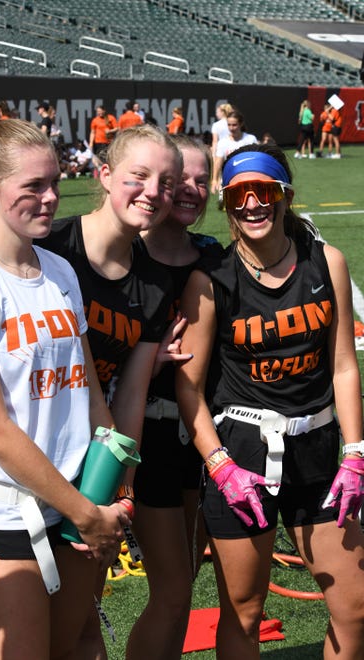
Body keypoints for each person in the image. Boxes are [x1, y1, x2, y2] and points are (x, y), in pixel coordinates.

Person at [0, 117, 130, 658]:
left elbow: (89, 392)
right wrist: (88, 515)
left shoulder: (60, 271)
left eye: (55, 182)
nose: (51, 198)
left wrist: (113, 484)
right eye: (33, 186)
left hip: (76, 497)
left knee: (80, 645)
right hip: (1, 509)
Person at [176, 142, 364, 659]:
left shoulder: (326, 262)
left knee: (355, 607)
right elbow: (188, 387)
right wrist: (219, 465)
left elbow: (344, 365)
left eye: (264, 191)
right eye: (239, 195)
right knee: (244, 610)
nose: (252, 204)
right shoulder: (211, 279)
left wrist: (356, 453)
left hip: (321, 449)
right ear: (227, 202)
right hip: (242, 454)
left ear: (284, 194)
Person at [35, 123, 184, 658]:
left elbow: (131, 395)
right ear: (103, 175)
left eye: (167, 183)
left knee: (79, 626)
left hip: (89, 463)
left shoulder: (155, 283)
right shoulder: (49, 246)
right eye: (138, 176)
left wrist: (121, 488)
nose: (153, 193)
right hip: (26, 458)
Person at [127, 135, 223, 660]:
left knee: (184, 579)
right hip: (144, 438)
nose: (191, 189)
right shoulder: (124, 255)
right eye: (178, 179)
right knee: (172, 588)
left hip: (201, 440)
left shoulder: (214, 256)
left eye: (201, 179)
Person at [211, 110, 257, 196]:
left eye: (234, 125)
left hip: (247, 178)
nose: (231, 128)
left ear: (241, 124)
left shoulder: (250, 139)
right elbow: (218, 162)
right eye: (229, 125)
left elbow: (256, 160)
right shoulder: (223, 142)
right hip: (229, 180)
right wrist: (214, 180)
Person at [88, 105, 118, 174]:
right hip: (98, 142)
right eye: (98, 111)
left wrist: (110, 131)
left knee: (107, 158)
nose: (99, 113)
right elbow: (92, 132)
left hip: (108, 142)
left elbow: (117, 128)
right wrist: (91, 143)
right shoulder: (95, 120)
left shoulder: (110, 118)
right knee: (97, 158)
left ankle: (109, 171)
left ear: (104, 111)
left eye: (100, 111)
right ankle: (98, 172)